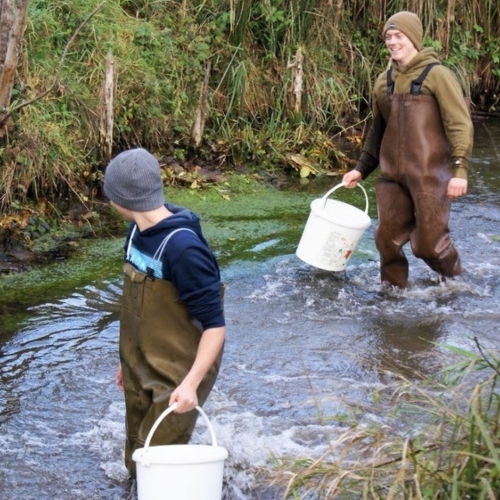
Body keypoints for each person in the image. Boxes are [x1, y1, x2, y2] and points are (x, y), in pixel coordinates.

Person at [103, 148, 226, 475]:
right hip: (139, 364)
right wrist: (125, 360)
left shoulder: (184, 248)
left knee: (155, 462)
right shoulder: (135, 234)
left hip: (179, 373)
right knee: (134, 452)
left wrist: (190, 384)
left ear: (123, 199)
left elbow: (215, 327)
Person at [342, 11, 473, 288]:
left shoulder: (438, 76)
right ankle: (392, 298)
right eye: (388, 37)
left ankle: (459, 283)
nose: (392, 41)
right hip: (391, 177)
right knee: (385, 241)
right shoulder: (383, 80)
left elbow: (459, 124)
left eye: (398, 36)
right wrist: (360, 169)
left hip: (430, 175)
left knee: (428, 246)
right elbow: (377, 131)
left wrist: (460, 169)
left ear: (413, 38)